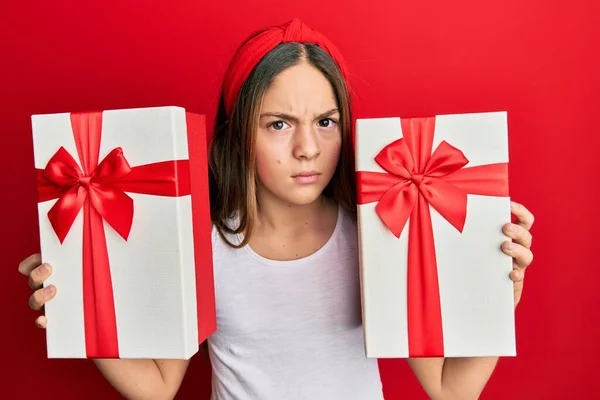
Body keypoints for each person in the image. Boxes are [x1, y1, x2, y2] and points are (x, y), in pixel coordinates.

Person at [18, 18, 536, 400]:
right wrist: (77, 314)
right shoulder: (200, 245)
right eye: (279, 124)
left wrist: (499, 293)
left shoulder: (382, 232)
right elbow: (156, 388)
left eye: (326, 122)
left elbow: (451, 390)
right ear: (240, 130)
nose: (308, 148)